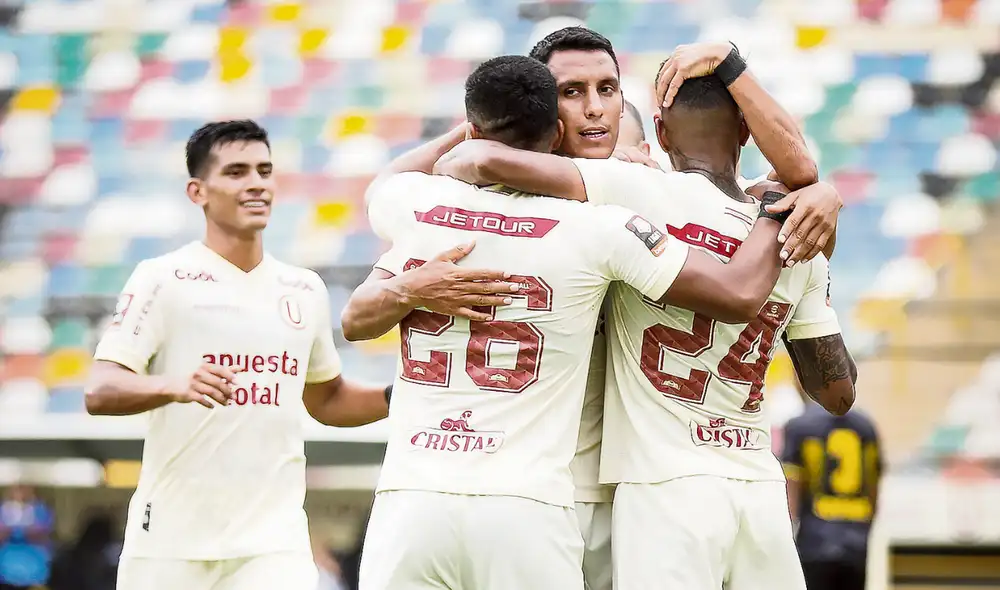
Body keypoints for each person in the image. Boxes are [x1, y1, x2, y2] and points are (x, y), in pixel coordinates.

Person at [346, 54, 793, 590]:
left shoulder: (424, 209)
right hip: (539, 501)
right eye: (574, 92)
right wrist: (782, 204)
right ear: (556, 125)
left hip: (417, 496)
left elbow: (359, 293)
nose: (595, 109)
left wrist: (405, 283)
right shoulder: (608, 223)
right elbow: (736, 289)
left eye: (607, 89)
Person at [433, 44, 858, 590]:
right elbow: (837, 394)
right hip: (756, 485)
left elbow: (483, 162)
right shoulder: (793, 229)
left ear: (659, 132)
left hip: (657, 485)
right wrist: (813, 195)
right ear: (747, 136)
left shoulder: (637, 195)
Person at [85, 120, 392, 590]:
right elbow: (100, 388)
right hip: (171, 542)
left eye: (264, 171)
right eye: (236, 172)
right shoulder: (163, 278)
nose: (256, 183)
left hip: (274, 545)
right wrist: (172, 385)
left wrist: (403, 395)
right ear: (197, 191)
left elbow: (327, 400)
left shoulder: (303, 288)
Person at [782, 381, 882, 590]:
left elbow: (793, 485)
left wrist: (787, 533)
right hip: (856, 539)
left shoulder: (799, 425)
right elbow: (873, 484)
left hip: (814, 538)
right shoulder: (866, 426)